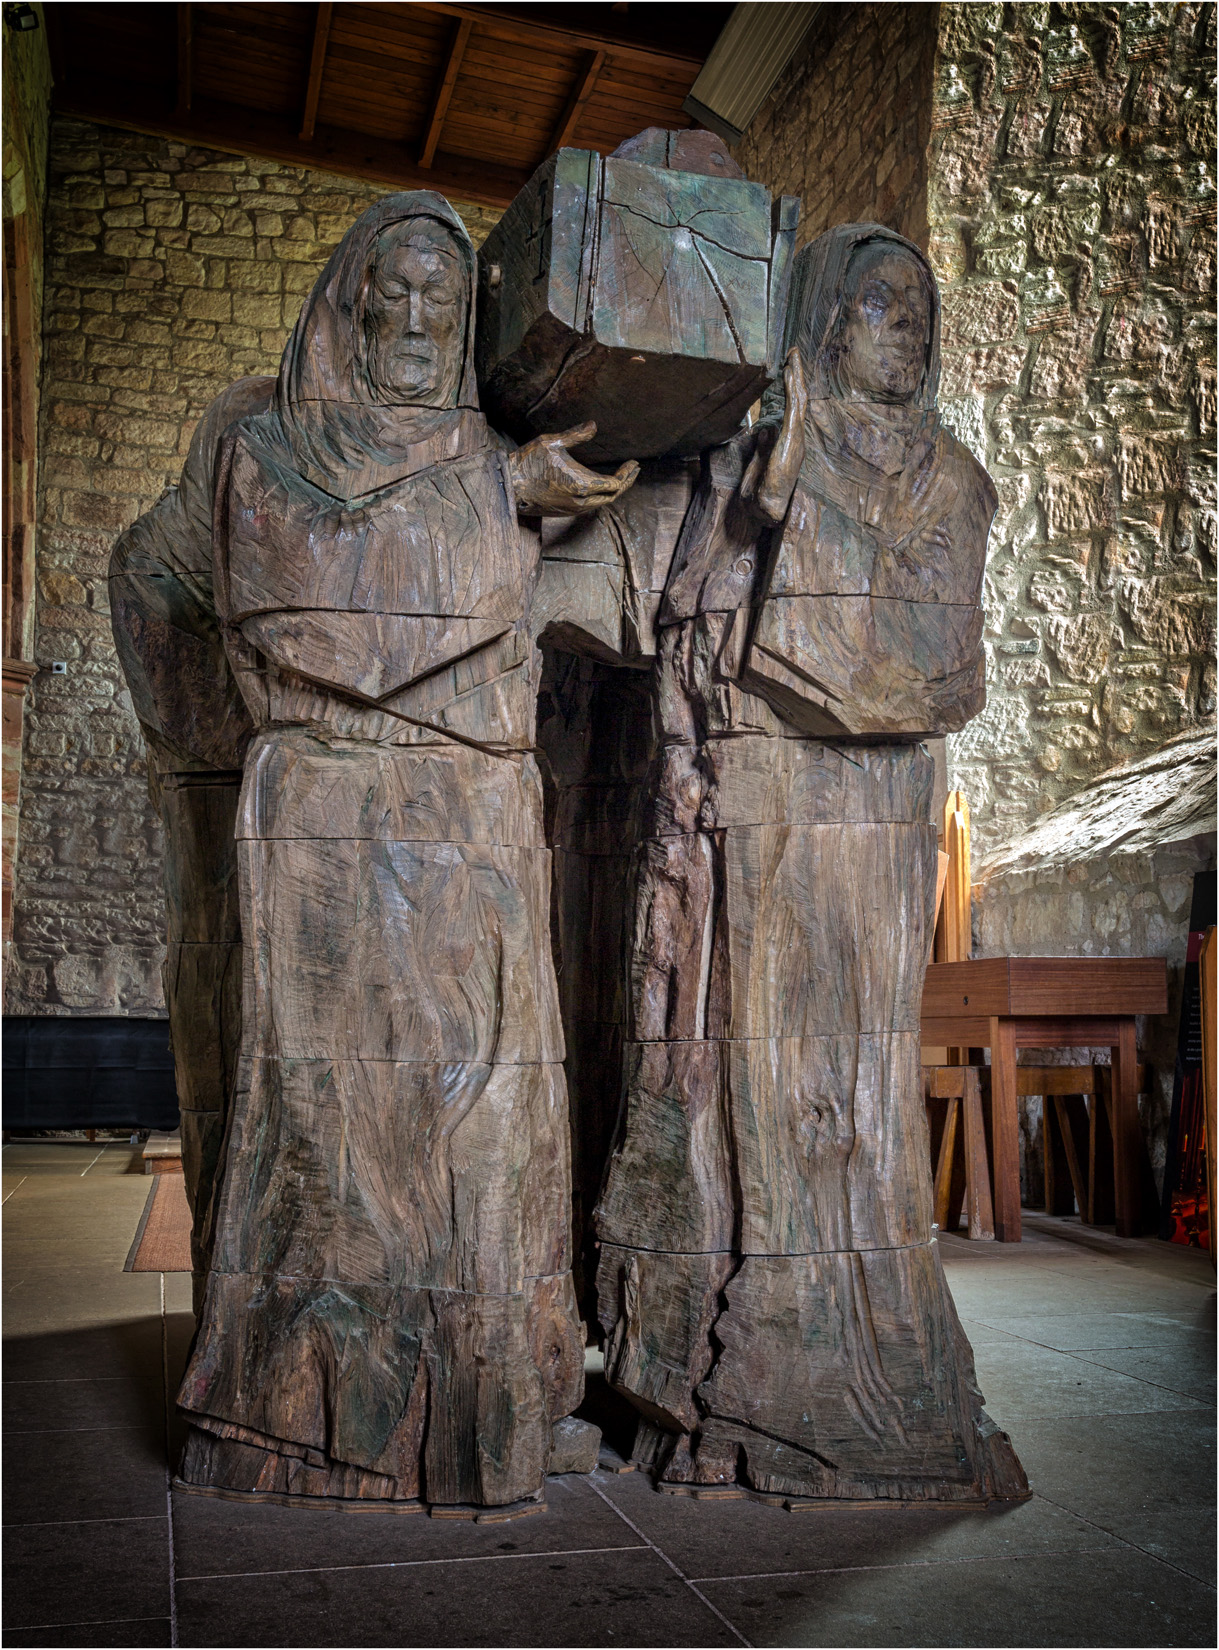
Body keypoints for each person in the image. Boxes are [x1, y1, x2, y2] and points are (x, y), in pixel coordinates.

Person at [116, 191, 635, 1511]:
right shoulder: (268, 432)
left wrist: (570, 552)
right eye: (389, 291)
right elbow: (295, 605)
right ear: (346, 301)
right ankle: (305, 1417)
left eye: (438, 300)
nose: (412, 316)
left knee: (486, 1124)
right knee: (332, 1137)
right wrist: (498, 499)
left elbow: (580, 605)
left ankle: (485, 1402)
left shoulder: (494, 440)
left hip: (473, 821)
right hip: (333, 827)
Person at [594, 224, 1028, 1504]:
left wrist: (810, 518)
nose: (902, 323)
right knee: (762, 1059)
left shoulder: (952, 476)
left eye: (918, 306)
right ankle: (758, 1348)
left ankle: (866, 1332)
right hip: (772, 781)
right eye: (875, 302)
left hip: (883, 798)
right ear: (825, 320)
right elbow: (689, 616)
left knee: (859, 1078)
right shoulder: (757, 454)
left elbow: (936, 656)